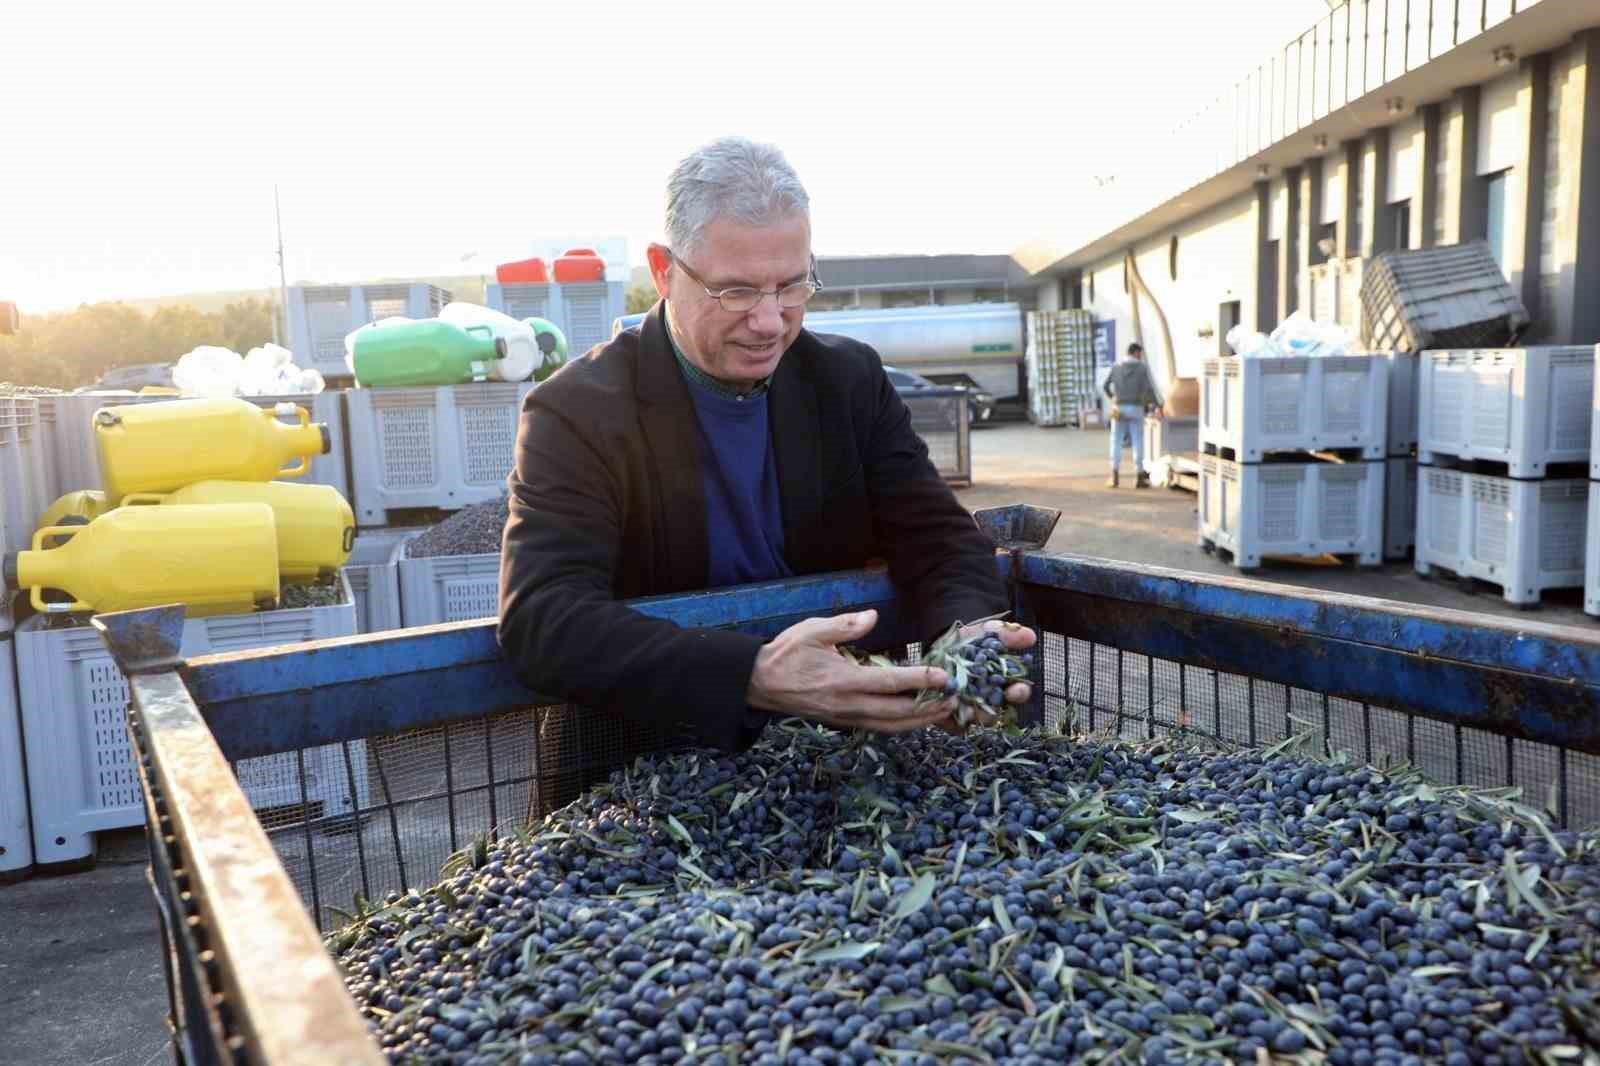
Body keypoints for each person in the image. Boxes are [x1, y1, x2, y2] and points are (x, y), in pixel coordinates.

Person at [498, 137, 1035, 807]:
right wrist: (751, 674)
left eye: (791, 286)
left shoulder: (847, 382)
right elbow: (544, 619)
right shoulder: (577, 412)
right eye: (736, 291)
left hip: (832, 771)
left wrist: (969, 634)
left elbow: (940, 539)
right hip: (641, 783)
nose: (769, 321)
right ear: (665, 271)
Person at [1103, 341, 1162, 489]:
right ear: (1136, 352)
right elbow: (1149, 389)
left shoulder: (1116, 367)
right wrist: (1156, 405)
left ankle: (1114, 475)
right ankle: (1139, 475)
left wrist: (1113, 398)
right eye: (1140, 354)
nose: (1141, 357)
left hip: (1119, 409)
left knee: (1116, 441)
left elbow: (1105, 385)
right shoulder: (1142, 368)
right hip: (1136, 408)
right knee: (1138, 441)